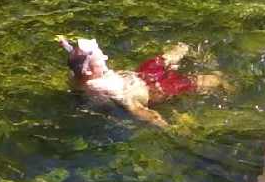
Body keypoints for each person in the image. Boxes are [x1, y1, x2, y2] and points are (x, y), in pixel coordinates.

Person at [57, 36, 227, 128]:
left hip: (141, 75)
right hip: (155, 90)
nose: (105, 58)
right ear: (88, 71)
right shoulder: (106, 91)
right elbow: (136, 108)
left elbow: (74, 56)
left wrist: (66, 45)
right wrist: (165, 126)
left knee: (162, 59)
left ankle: (182, 50)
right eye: (101, 60)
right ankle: (222, 80)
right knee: (194, 82)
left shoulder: (78, 77)